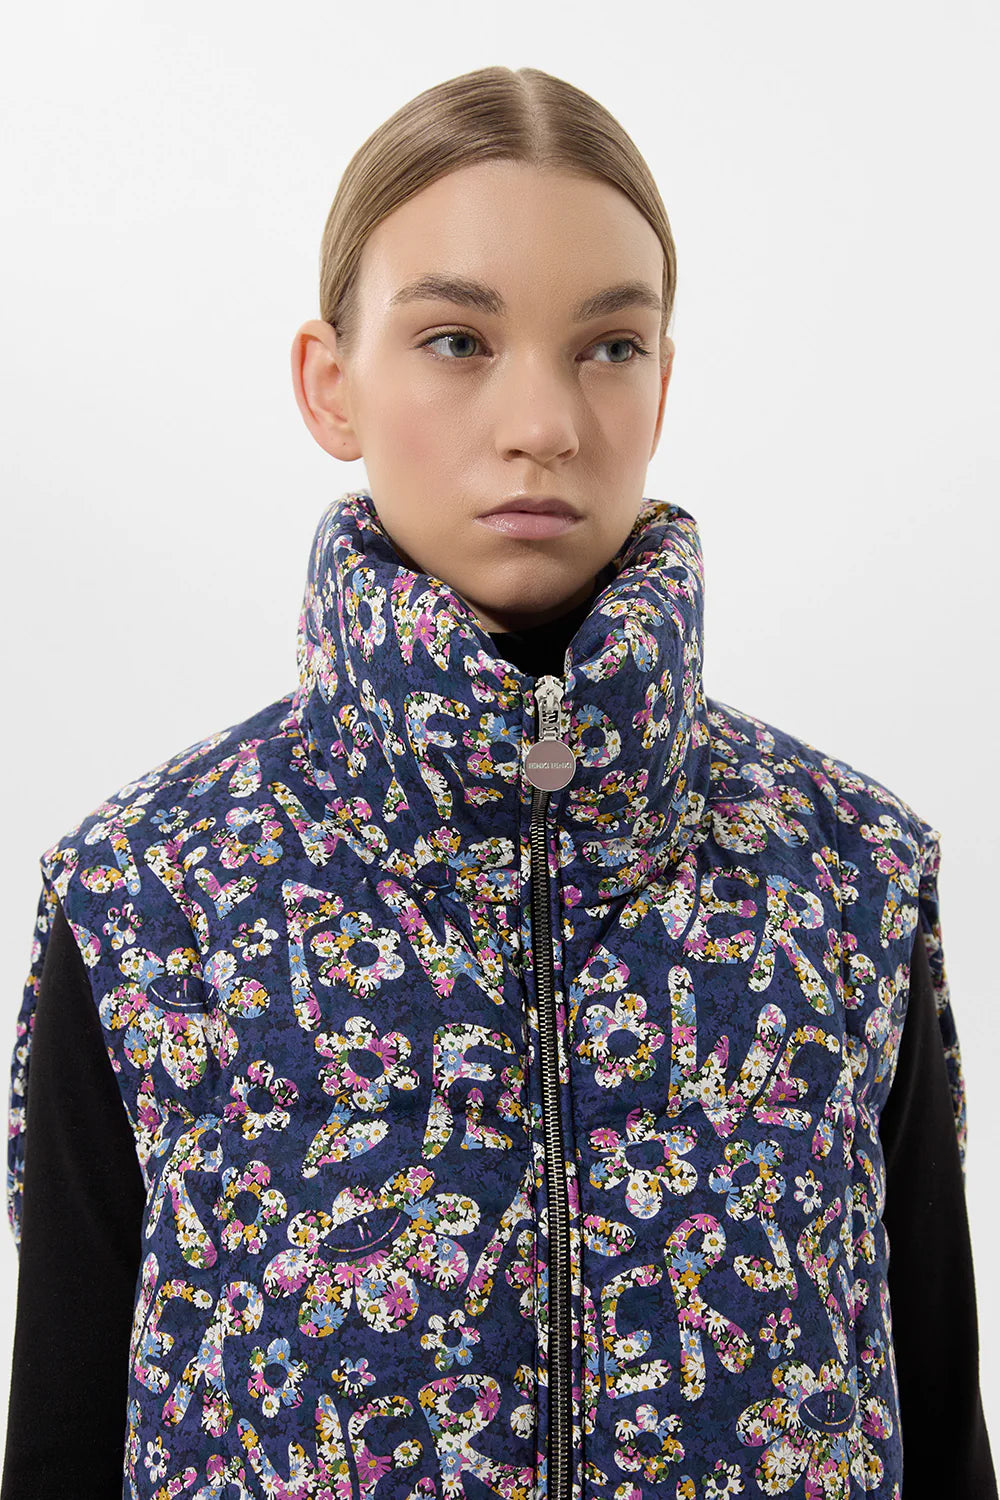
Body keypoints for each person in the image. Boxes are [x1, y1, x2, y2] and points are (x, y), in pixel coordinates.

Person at [2, 62, 995, 1500]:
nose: (543, 420)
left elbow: (943, 1429)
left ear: (665, 384)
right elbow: (59, 1442)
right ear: (330, 382)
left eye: (609, 346)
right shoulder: (148, 901)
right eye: (458, 340)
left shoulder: (851, 878)